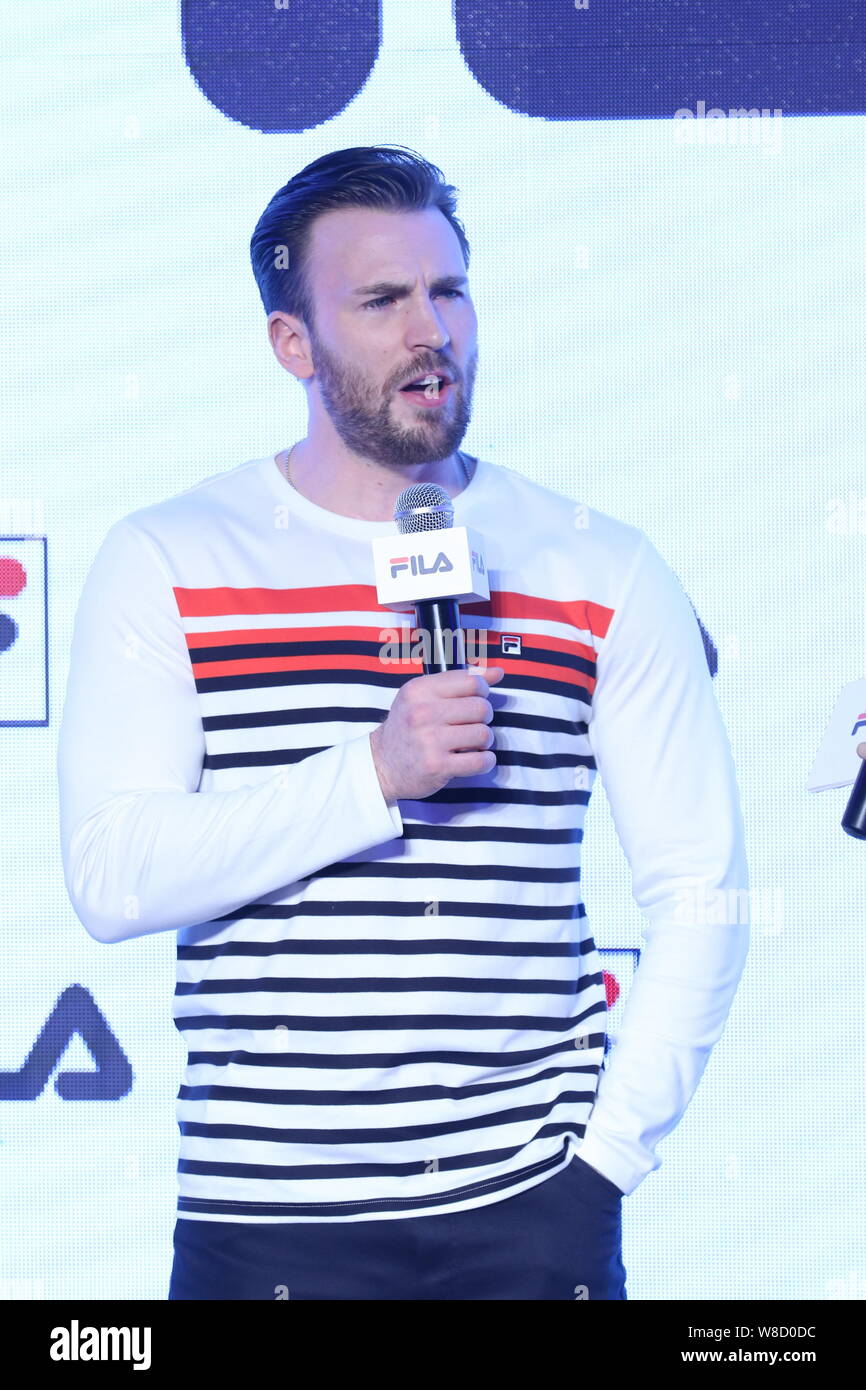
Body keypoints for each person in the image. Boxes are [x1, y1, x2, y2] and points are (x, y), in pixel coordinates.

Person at [57, 145, 750, 1301]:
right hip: (265, 1222)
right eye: (382, 300)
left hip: (531, 1218)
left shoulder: (600, 566)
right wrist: (372, 772)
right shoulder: (171, 558)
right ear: (293, 343)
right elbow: (113, 875)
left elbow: (700, 892)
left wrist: (601, 1170)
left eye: (448, 291)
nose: (430, 331)